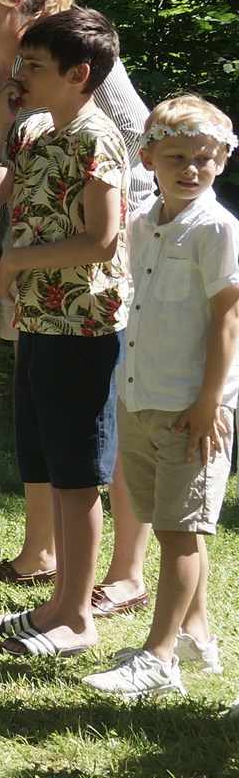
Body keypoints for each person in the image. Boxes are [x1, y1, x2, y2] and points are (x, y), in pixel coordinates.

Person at [0, 0, 155, 612]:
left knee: (106, 411)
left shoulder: (73, 55)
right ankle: (44, 552)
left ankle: (122, 573)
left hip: (115, 259)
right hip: (36, 261)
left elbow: (142, 152)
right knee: (45, 411)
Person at [0, 8, 130, 657]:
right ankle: (57, 604)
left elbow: (100, 238)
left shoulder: (97, 137)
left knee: (78, 472)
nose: (20, 73)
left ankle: (78, 618)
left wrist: (16, 261)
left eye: (34, 66)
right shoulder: (32, 130)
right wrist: (1, 123)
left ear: (77, 74)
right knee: (49, 463)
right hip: (36, 323)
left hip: (82, 326)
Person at [82, 96, 239, 696]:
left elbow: (228, 319)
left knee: (179, 531)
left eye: (205, 158)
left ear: (223, 161)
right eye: (176, 156)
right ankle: (196, 635)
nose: (191, 169)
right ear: (147, 158)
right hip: (141, 396)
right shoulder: (144, 219)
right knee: (170, 523)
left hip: (191, 411)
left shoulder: (216, 228)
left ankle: (160, 657)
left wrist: (209, 403)